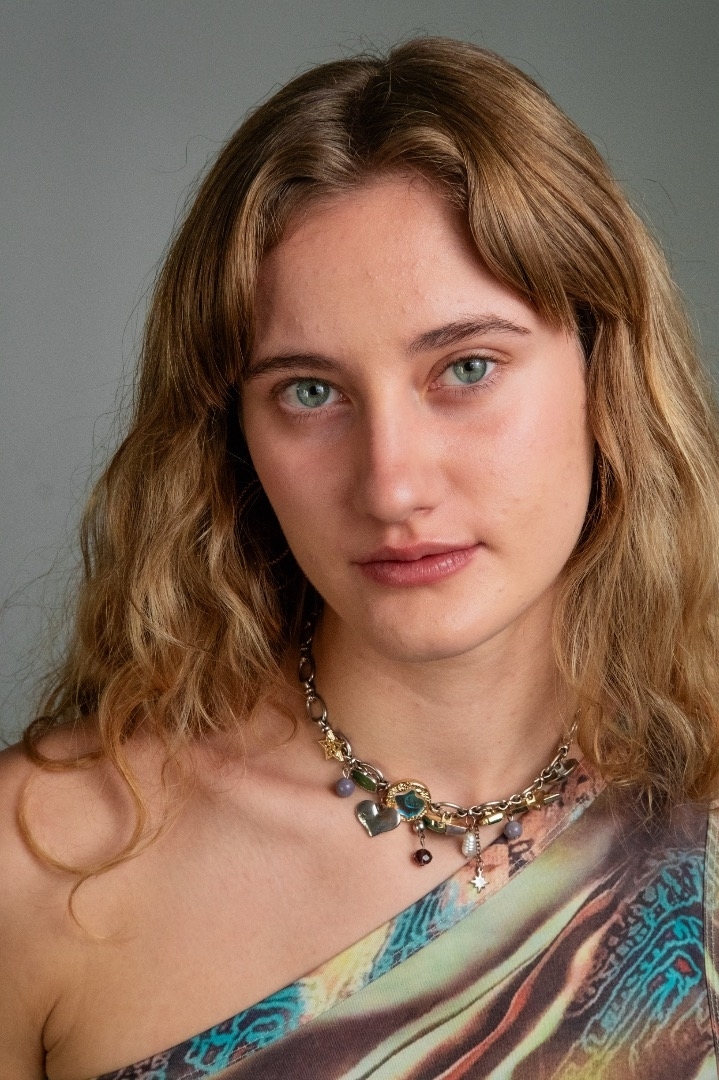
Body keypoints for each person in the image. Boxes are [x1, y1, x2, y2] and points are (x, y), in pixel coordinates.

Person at [2, 36, 719, 1080]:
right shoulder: (43, 863)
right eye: (308, 392)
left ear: (605, 373)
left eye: (465, 368)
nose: (390, 486)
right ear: (231, 436)